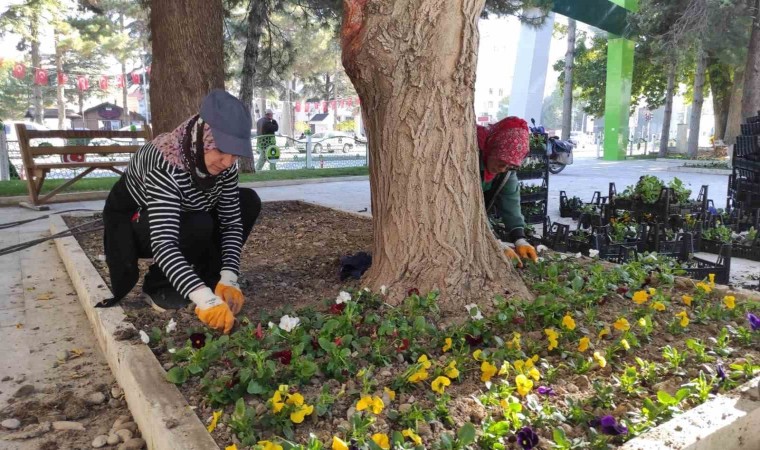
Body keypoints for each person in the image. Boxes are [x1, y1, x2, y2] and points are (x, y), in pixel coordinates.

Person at [101, 89, 262, 334]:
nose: (228, 162)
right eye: (221, 150)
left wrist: (229, 277)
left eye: (235, 152)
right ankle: (159, 285)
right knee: (197, 222)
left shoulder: (225, 165)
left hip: (189, 213)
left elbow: (230, 223)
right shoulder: (165, 163)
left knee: (247, 201)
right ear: (202, 137)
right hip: (137, 224)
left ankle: (211, 279)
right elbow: (164, 242)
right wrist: (203, 300)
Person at [477, 116, 538, 267]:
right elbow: (469, 206)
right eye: (501, 162)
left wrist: (519, 239)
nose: (502, 169)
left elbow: (511, 201)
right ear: (491, 149)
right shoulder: (470, 158)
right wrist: (494, 242)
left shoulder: (507, 171)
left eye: (510, 166)